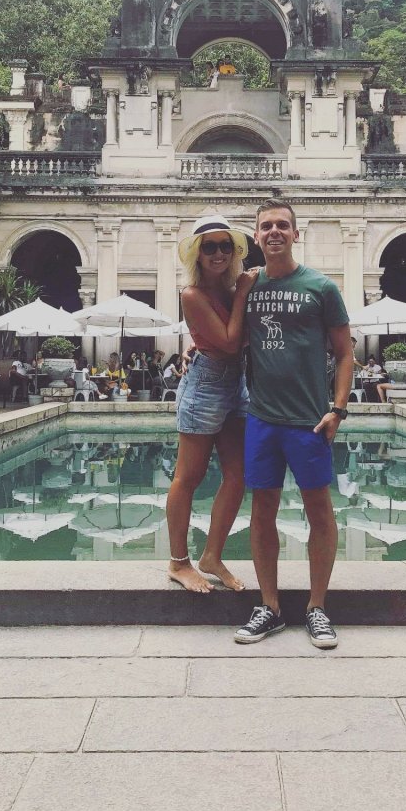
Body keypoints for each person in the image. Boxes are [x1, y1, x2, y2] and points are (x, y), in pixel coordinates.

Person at [235, 199, 352, 649]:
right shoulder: (248, 286)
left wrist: (337, 409)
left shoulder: (321, 287)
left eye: (282, 225)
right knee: (261, 511)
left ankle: (317, 607)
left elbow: (345, 352)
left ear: (295, 234)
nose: (274, 232)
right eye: (266, 226)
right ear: (257, 236)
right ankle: (270, 607)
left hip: (308, 421)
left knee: (319, 510)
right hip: (262, 418)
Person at [166, 214, 259, 593]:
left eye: (225, 246)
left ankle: (212, 557)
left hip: (236, 382)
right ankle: (178, 562)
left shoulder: (234, 287)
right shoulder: (193, 294)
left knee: (238, 475)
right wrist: (242, 295)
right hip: (205, 384)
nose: (218, 253)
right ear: (197, 254)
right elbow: (230, 341)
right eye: (209, 247)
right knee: (189, 476)